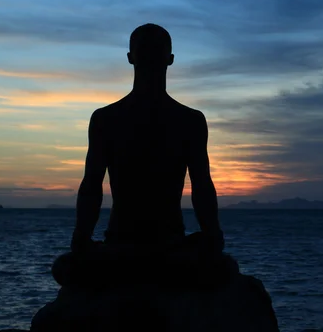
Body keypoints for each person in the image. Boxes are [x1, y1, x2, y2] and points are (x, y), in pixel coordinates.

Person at [69, 23, 224, 260]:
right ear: (131, 57)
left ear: (169, 58)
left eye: (156, 49)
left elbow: (203, 185)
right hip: (123, 242)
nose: (150, 56)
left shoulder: (190, 120)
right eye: (145, 49)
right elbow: (91, 184)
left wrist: (212, 235)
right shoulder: (105, 119)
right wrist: (81, 237)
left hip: (168, 244)